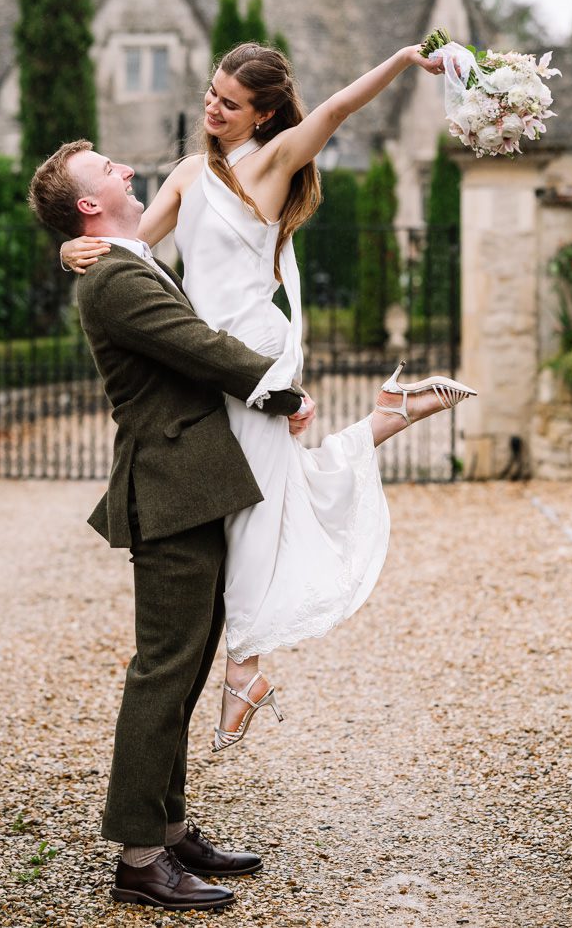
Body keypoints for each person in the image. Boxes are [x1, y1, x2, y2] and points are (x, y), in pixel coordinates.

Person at [61, 41, 476, 751]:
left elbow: (342, 107)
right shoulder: (191, 172)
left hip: (249, 348)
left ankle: (246, 664)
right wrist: (68, 249)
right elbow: (131, 245)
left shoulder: (279, 159)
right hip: (205, 353)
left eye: (229, 102)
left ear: (266, 112)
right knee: (268, 489)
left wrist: (405, 62)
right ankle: (384, 418)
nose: (211, 108)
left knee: (252, 507)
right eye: (211, 94)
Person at [28, 140, 314, 912]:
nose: (124, 169)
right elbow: (195, 346)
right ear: (90, 204)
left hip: (190, 482)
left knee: (184, 668)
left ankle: (172, 824)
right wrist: (277, 388)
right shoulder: (114, 277)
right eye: (108, 171)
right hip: (168, 486)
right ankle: (140, 857)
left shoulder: (117, 257)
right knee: (162, 672)